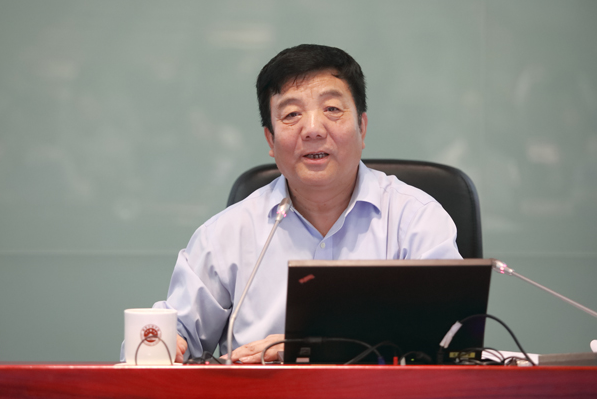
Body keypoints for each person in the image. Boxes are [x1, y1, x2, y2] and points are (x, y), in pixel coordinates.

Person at [154, 44, 462, 364]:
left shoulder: (416, 221)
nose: (313, 129)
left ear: (362, 127)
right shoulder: (226, 234)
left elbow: (451, 341)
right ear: (271, 140)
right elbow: (171, 337)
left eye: (332, 109)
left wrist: (305, 348)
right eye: (292, 114)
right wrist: (164, 344)